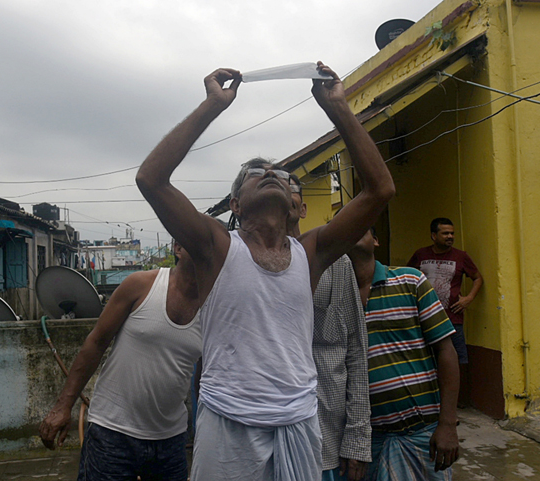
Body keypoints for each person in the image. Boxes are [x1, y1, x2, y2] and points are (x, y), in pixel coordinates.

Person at [136, 62, 395, 480]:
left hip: (298, 421)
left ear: (296, 205)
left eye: (280, 174)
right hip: (228, 421)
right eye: (257, 174)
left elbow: (380, 190)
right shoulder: (217, 246)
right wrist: (212, 106)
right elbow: (151, 178)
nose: (272, 174)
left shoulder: (311, 252)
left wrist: (339, 109)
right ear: (235, 205)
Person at [39, 241, 201, 481]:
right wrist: (64, 405)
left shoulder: (216, 308)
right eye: (200, 240)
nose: (208, 250)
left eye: (215, 246)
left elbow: (207, 378)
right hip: (111, 433)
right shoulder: (141, 285)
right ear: (178, 248)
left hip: (170, 441)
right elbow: (95, 343)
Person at [348, 228, 460, 481]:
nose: (350, 232)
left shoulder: (410, 281)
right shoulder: (337, 298)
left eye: (359, 226)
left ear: (376, 240)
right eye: (343, 228)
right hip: (369, 440)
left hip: (423, 434)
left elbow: (446, 351)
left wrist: (448, 424)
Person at [287, 174, 371, 481]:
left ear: (304, 208)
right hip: (261, 439)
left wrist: (358, 440)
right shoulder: (239, 268)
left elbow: (356, 353)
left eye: (289, 189)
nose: (281, 194)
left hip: (326, 442)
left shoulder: (337, 265)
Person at [407, 218, 482, 407]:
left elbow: (477, 278)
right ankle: (429, 402)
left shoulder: (461, 256)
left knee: (457, 361)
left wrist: (469, 298)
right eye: (445, 233)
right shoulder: (420, 255)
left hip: (452, 319)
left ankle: (453, 403)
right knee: (426, 361)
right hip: (424, 319)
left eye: (452, 233)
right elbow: (407, 277)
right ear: (433, 236)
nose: (450, 237)